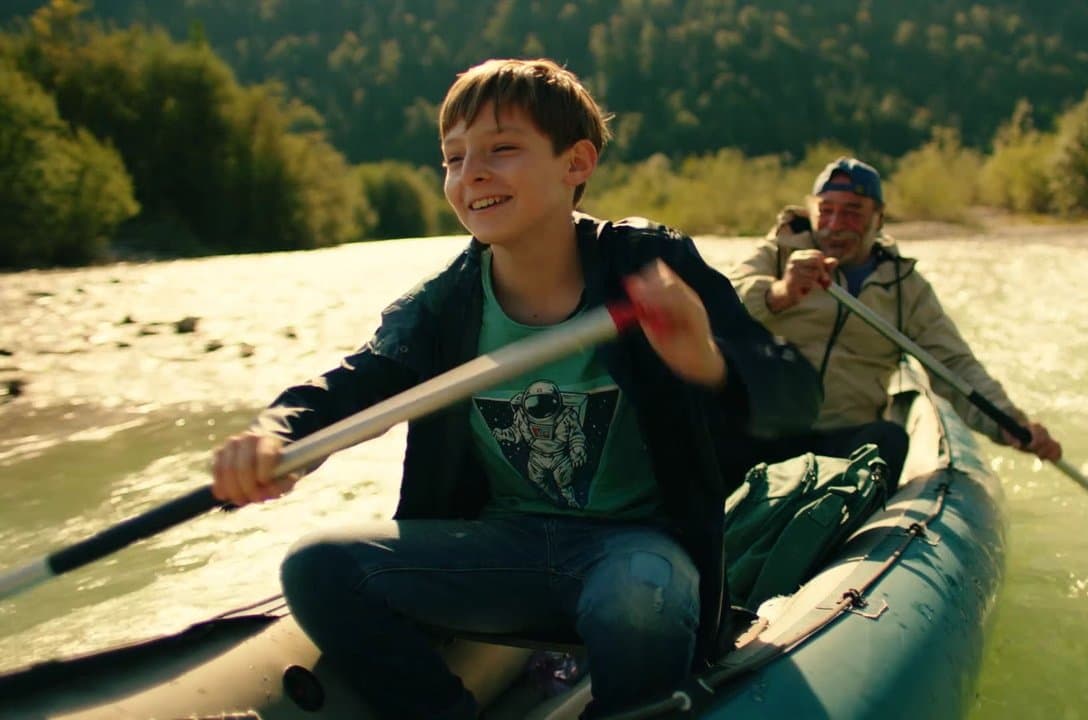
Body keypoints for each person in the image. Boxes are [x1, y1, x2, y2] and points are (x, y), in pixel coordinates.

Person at [210, 58, 820, 720]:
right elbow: (353, 385)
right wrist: (277, 434)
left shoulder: (649, 264)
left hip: (635, 550)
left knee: (638, 590)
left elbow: (794, 393)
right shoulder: (444, 305)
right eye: (453, 158)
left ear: (575, 164)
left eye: (501, 149)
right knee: (317, 566)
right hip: (501, 550)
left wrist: (706, 360)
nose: (470, 173)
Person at [726, 156, 1060, 489]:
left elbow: (955, 366)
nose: (835, 225)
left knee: (889, 439)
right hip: (762, 429)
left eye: (852, 212)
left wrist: (1011, 423)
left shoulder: (906, 288)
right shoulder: (777, 255)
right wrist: (780, 293)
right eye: (826, 211)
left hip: (843, 437)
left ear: (879, 218)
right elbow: (719, 306)